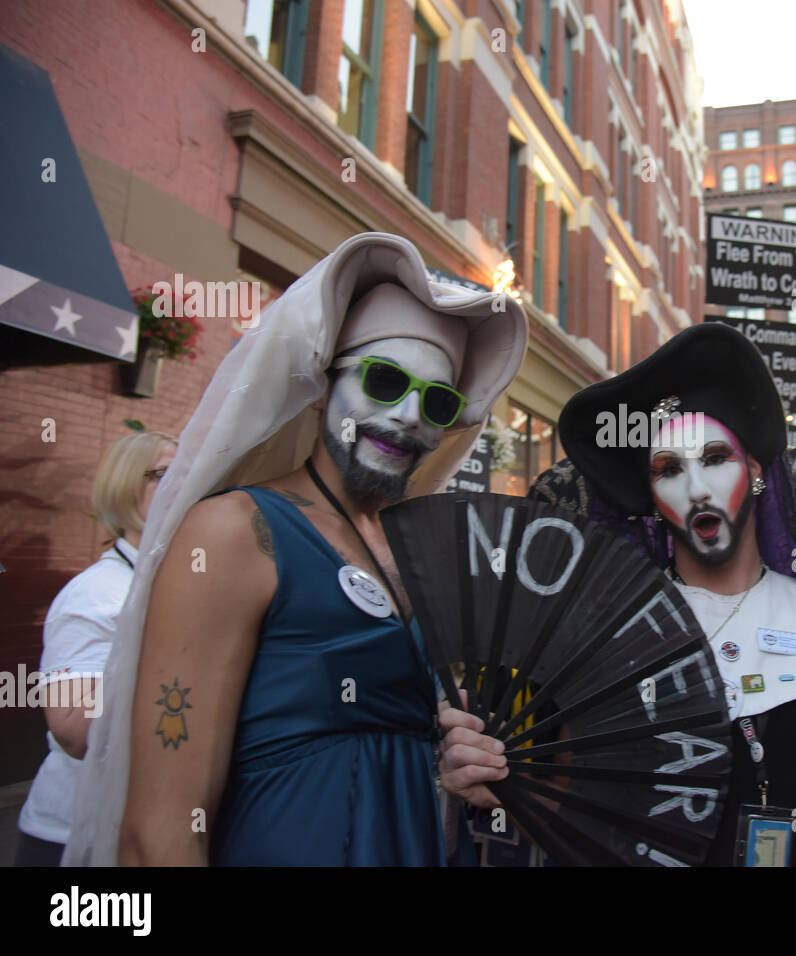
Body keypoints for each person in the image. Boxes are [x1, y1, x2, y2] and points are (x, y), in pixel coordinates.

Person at [62, 233, 527, 866]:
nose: (411, 413)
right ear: (318, 389)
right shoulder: (233, 534)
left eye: (438, 400)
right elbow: (158, 831)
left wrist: (453, 766)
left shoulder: (426, 559)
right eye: (384, 380)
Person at [448, 322, 796, 866]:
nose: (698, 488)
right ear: (652, 496)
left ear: (754, 470)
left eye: (714, 458)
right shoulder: (603, 635)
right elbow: (564, 799)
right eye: (669, 469)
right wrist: (497, 778)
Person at [13, 430, 176, 866]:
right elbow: (73, 729)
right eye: (166, 472)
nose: (183, 483)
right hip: (71, 840)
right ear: (125, 485)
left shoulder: (173, 584)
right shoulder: (95, 594)